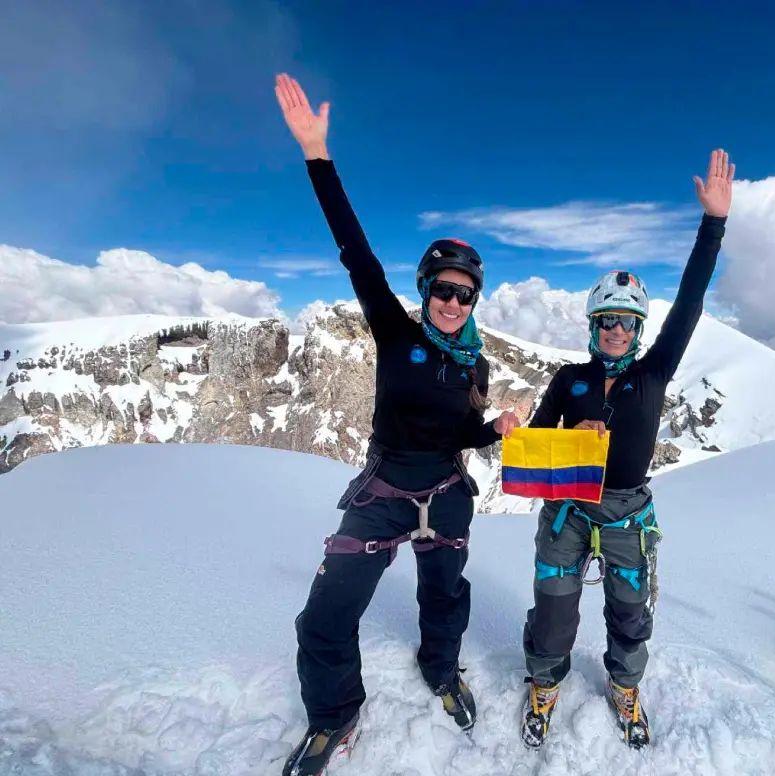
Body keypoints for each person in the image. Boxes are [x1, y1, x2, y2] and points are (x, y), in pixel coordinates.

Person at [274, 73, 518, 776]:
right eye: (442, 289)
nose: (452, 302)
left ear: (475, 301)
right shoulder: (395, 331)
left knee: (445, 596)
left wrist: (493, 429)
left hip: (445, 490)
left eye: (464, 294)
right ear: (425, 290)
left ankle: (440, 669)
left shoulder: (474, 364)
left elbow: (459, 433)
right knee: (325, 616)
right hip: (383, 491)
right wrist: (318, 156)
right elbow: (356, 255)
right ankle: (334, 716)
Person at [519, 150, 734, 750]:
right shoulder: (569, 379)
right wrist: (573, 439)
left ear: (639, 331)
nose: (617, 331)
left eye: (627, 323)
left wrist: (713, 225)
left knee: (630, 613)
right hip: (569, 510)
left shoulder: (653, 373)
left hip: (628, 514)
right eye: (608, 321)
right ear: (594, 326)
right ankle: (544, 681)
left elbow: (689, 304)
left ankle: (625, 684)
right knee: (553, 608)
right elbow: (535, 448)